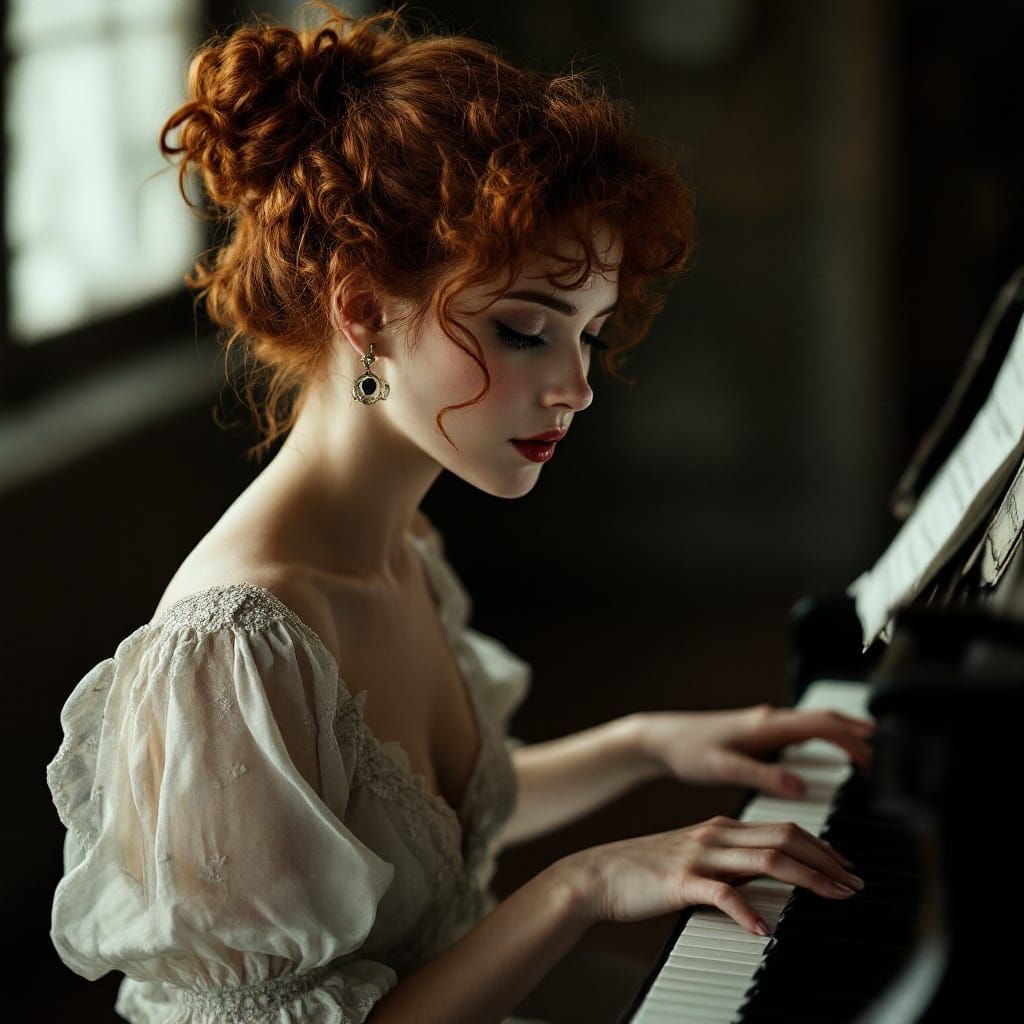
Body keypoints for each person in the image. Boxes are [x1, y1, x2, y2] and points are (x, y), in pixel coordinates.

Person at [46, 3, 874, 1021]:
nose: (576, 385)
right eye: (527, 330)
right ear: (361, 311)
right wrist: (580, 886)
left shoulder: (400, 542)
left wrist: (648, 743)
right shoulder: (236, 648)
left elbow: (423, 833)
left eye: (591, 334)